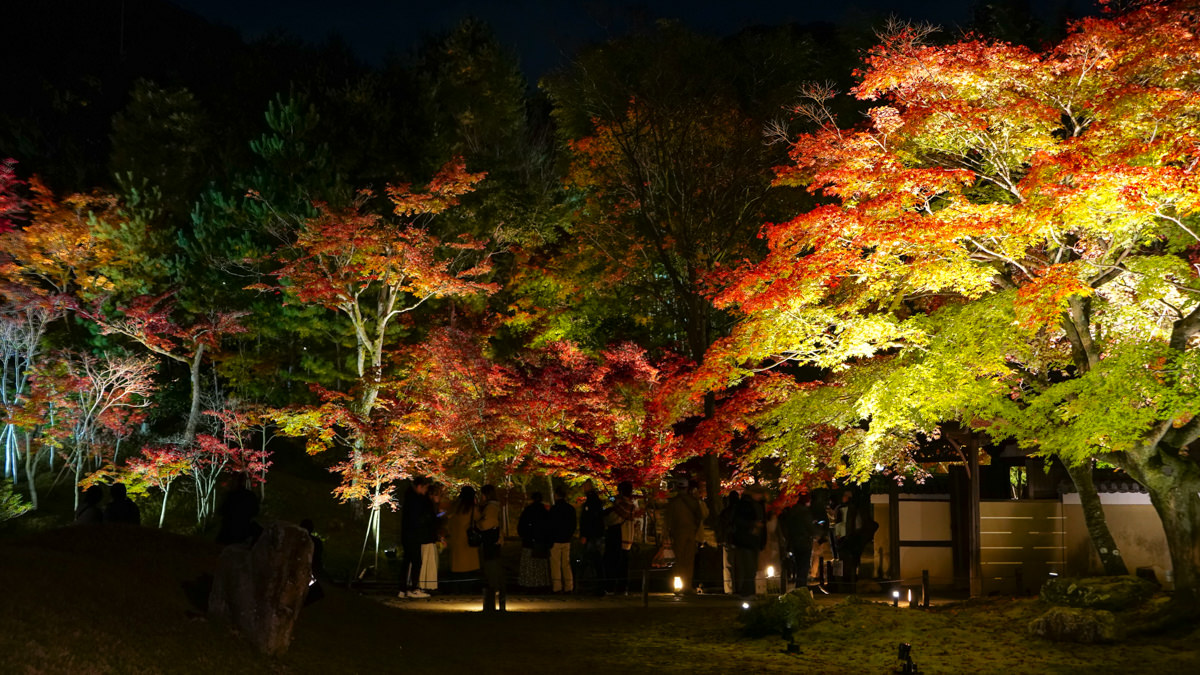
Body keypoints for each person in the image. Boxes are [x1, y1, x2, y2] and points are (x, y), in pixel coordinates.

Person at [399, 477, 434, 599]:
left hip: (407, 534)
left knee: (407, 561)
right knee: (416, 561)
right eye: (425, 488)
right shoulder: (416, 500)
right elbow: (419, 518)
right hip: (414, 534)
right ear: (420, 486)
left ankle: (403, 589)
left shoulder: (409, 497)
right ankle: (413, 588)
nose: (426, 491)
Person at [666, 479, 703, 594]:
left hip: (677, 533)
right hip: (691, 532)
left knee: (678, 561)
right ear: (687, 488)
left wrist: (666, 534)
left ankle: (678, 586)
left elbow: (668, 520)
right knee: (689, 561)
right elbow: (700, 516)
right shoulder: (694, 502)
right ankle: (687, 585)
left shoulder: (673, 503)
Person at [731, 485, 767, 598]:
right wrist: (753, 524)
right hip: (746, 540)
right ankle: (747, 591)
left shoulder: (757, 505)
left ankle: (748, 591)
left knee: (751, 568)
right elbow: (738, 521)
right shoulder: (745, 505)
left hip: (753, 540)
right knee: (748, 567)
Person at [603, 481, 638, 594]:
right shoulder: (632, 506)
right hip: (627, 538)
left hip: (618, 537)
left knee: (613, 563)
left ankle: (611, 587)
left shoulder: (619, 506)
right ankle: (622, 588)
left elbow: (611, 520)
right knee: (624, 565)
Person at [446, 486, 480, 594]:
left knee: (457, 569)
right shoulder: (471, 508)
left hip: (455, 541)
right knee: (468, 569)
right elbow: (480, 520)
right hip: (467, 542)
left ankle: (456, 589)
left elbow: (448, 522)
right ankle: (466, 590)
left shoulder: (455, 507)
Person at [477, 484, 506, 612]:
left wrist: (477, 523)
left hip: (490, 542)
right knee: (495, 566)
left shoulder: (490, 508)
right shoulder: (496, 506)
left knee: (491, 568)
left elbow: (486, 524)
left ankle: (493, 595)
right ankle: (499, 596)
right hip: (495, 541)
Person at [517, 491, 551, 591]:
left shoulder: (528, 511)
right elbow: (548, 527)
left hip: (528, 542)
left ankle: (528, 583)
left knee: (529, 564)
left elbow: (521, 526)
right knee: (540, 565)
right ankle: (541, 583)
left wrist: (524, 535)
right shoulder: (544, 511)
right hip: (541, 542)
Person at [579, 479, 606, 596]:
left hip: (592, 535)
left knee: (591, 559)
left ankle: (591, 585)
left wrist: (584, 534)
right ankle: (598, 585)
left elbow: (588, 520)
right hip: (597, 534)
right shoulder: (596, 501)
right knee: (596, 560)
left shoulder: (591, 502)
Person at [216, 474, 260, 545]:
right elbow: (255, 511)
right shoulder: (250, 495)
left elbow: (221, 510)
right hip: (244, 528)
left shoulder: (230, 495)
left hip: (229, 529)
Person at [548, 486, 577, 594]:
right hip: (567, 539)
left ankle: (557, 587)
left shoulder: (554, 509)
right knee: (566, 564)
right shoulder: (570, 509)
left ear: (556, 495)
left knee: (555, 564)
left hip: (555, 540)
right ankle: (569, 586)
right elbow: (573, 524)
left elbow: (550, 525)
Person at [783, 493, 815, 587]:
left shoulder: (792, 511)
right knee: (804, 566)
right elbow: (810, 527)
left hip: (794, 541)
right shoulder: (805, 512)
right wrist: (818, 533)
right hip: (804, 541)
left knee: (798, 564)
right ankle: (801, 586)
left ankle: (798, 584)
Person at [419, 483, 445, 593]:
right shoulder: (429, 506)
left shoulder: (426, 505)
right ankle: (426, 585)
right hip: (427, 538)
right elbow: (432, 521)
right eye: (438, 495)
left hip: (427, 538)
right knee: (428, 562)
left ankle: (425, 585)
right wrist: (440, 516)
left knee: (427, 562)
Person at [716, 491, 740, 594]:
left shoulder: (725, 512)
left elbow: (720, 526)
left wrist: (720, 539)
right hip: (739, 541)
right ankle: (740, 587)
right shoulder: (741, 512)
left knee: (728, 566)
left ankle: (730, 589)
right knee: (739, 565)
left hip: (728, 541)